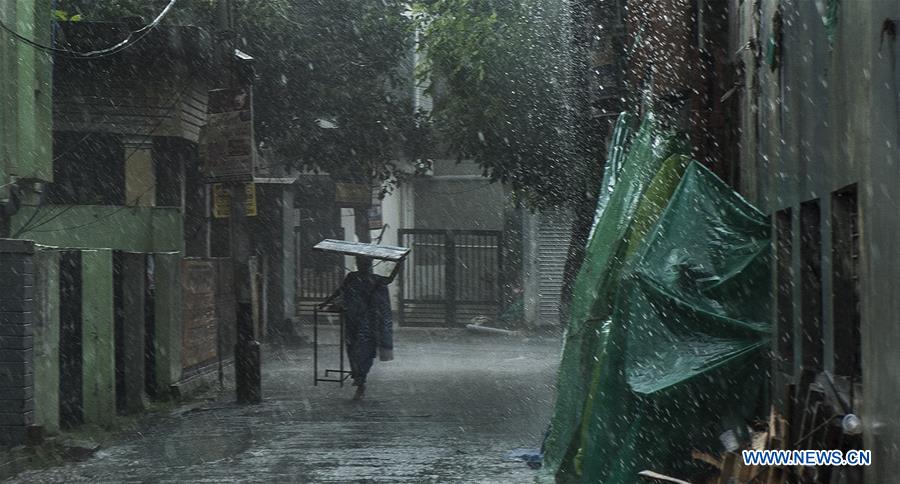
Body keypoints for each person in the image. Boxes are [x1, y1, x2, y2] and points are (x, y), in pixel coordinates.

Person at [320, 256, 402, 400]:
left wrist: (398, 265)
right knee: (353, 350)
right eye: (360, 263)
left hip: (367, 323)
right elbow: (340, 290)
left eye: (364, 263)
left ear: (369, 264)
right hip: (353, 319)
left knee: (364, 351)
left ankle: (361, 380)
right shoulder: (352, 277)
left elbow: (389, 279)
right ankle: (359, 379)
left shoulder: (374, 279)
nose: (362, 265)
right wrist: (326, 302)